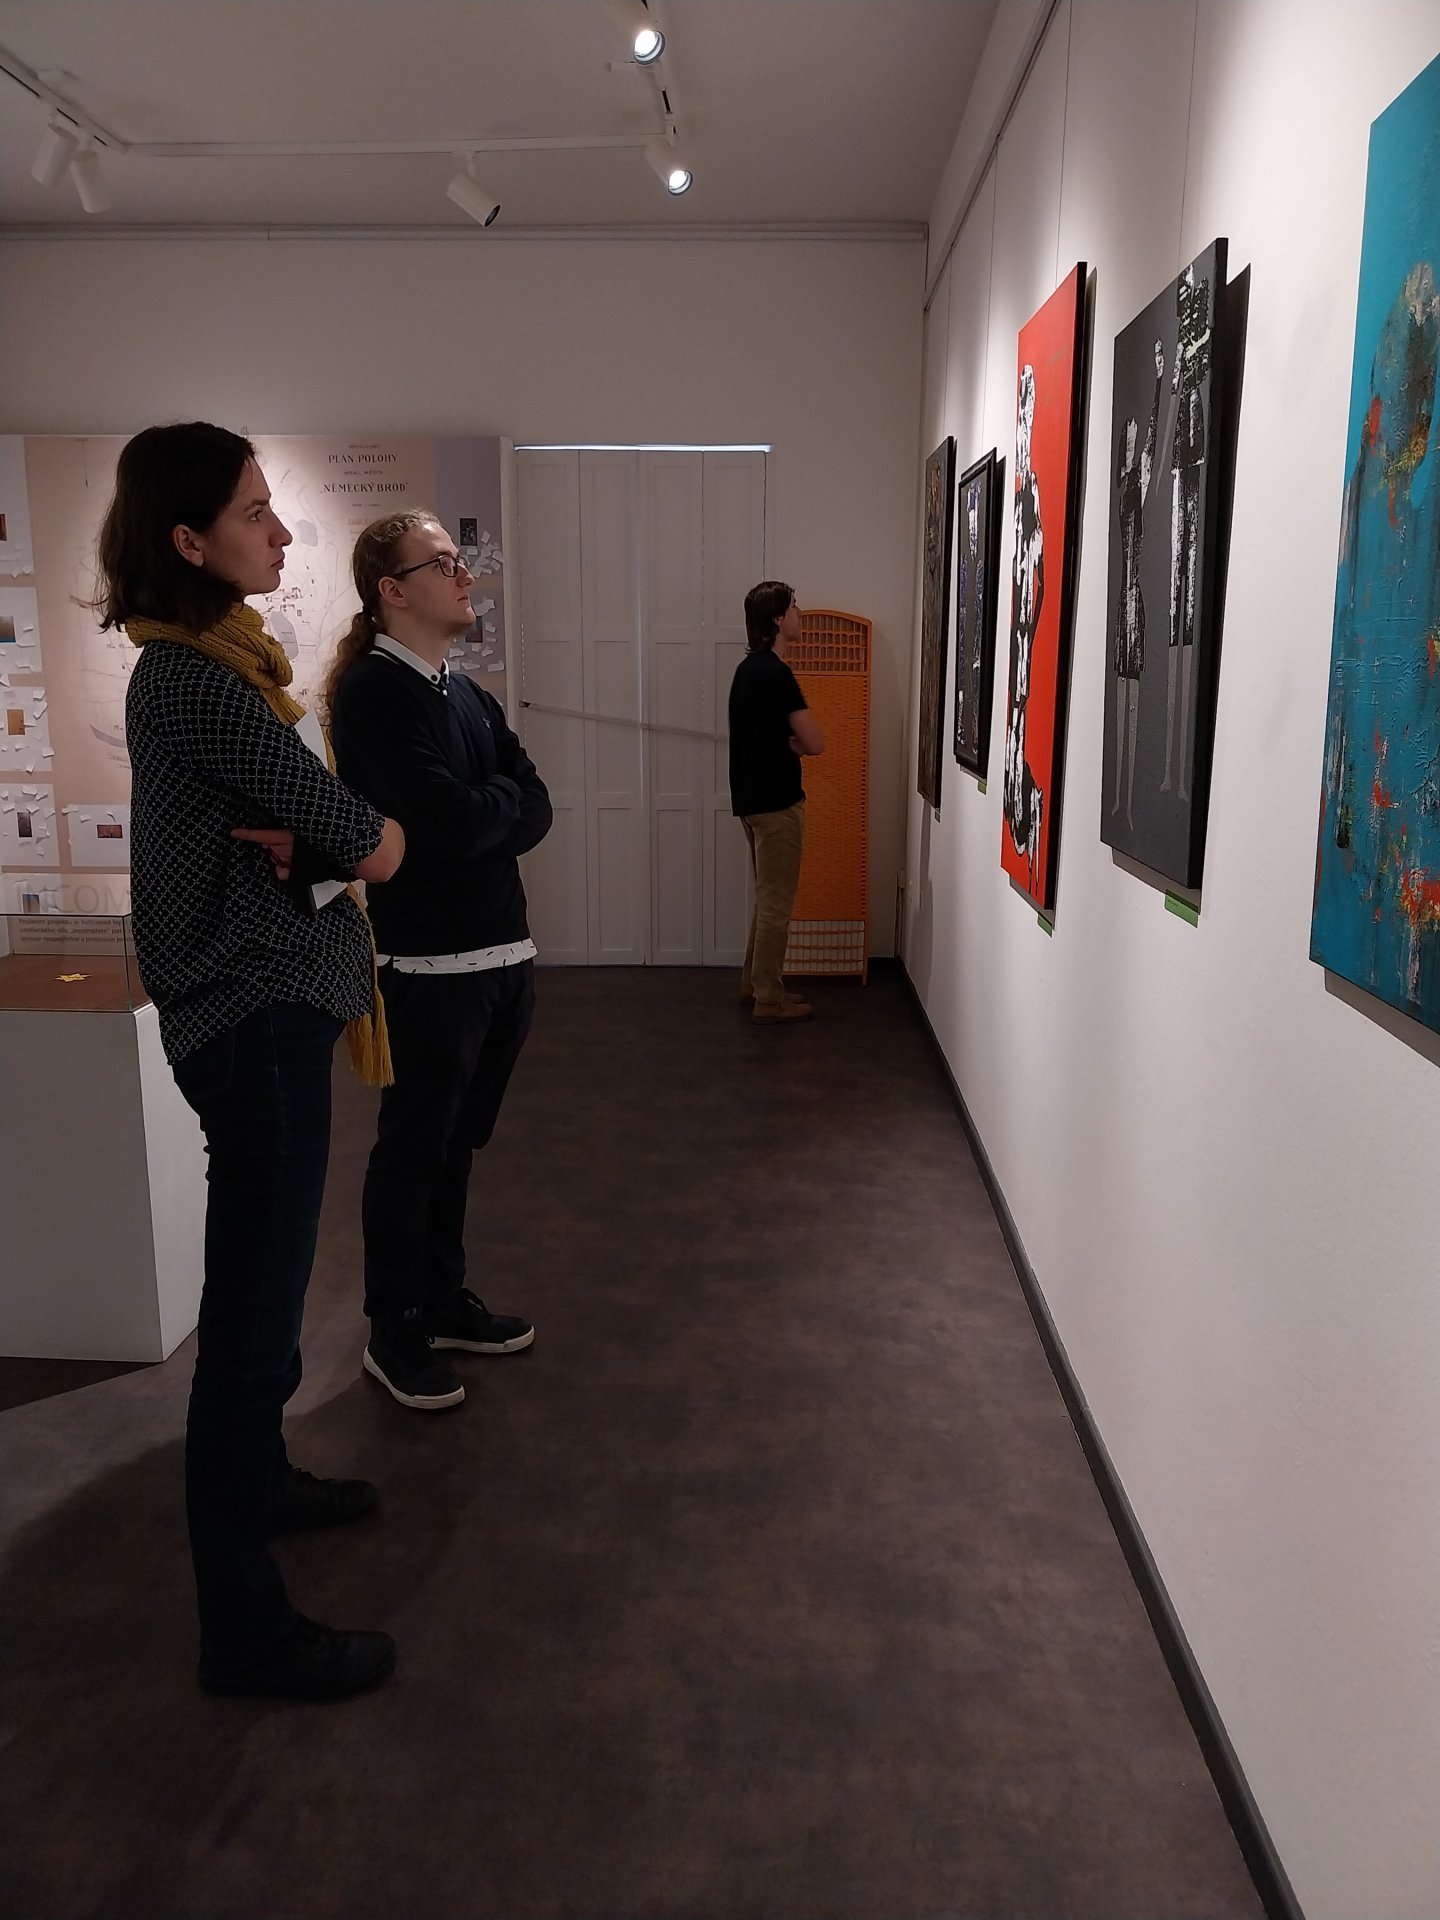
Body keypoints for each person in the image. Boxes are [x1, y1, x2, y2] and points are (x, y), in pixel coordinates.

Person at [103, 421, 406, 1701]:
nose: (281, 534)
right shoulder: (198, 684)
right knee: (247, 1326)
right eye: (253, 513)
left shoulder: (223, 669)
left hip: (266, 1017)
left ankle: (265, 1483)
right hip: (252, 1027)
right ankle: (243, 1630)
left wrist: (314, 843)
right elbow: (370, 841)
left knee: (266, 1306)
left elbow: (313, 834)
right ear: (189, 541)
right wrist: (347, 839)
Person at [326, 509, 552, 1412]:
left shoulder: (467, 694)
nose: (466, 576)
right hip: (429, 968)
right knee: (414, 1150)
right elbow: (454, 822)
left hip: (503, 954)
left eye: (460, 562)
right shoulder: (374, 695)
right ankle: (394, 1327)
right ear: (392, 590)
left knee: (458, 1143)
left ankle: (441, 1297)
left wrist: (483, 807)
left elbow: (534, 805)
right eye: (445, 563)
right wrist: (490, 809)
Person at [727, 581, 825, 1024]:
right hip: (777, 804)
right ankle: (769, 997)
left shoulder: (747, 671)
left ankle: (754, 983)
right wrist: (798, 746)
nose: (800, 614)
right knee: (776, 905)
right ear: (777, 619)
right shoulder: (776, 674)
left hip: (751, 802)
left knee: (767, 899)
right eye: (794, 607)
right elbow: (815, 741)